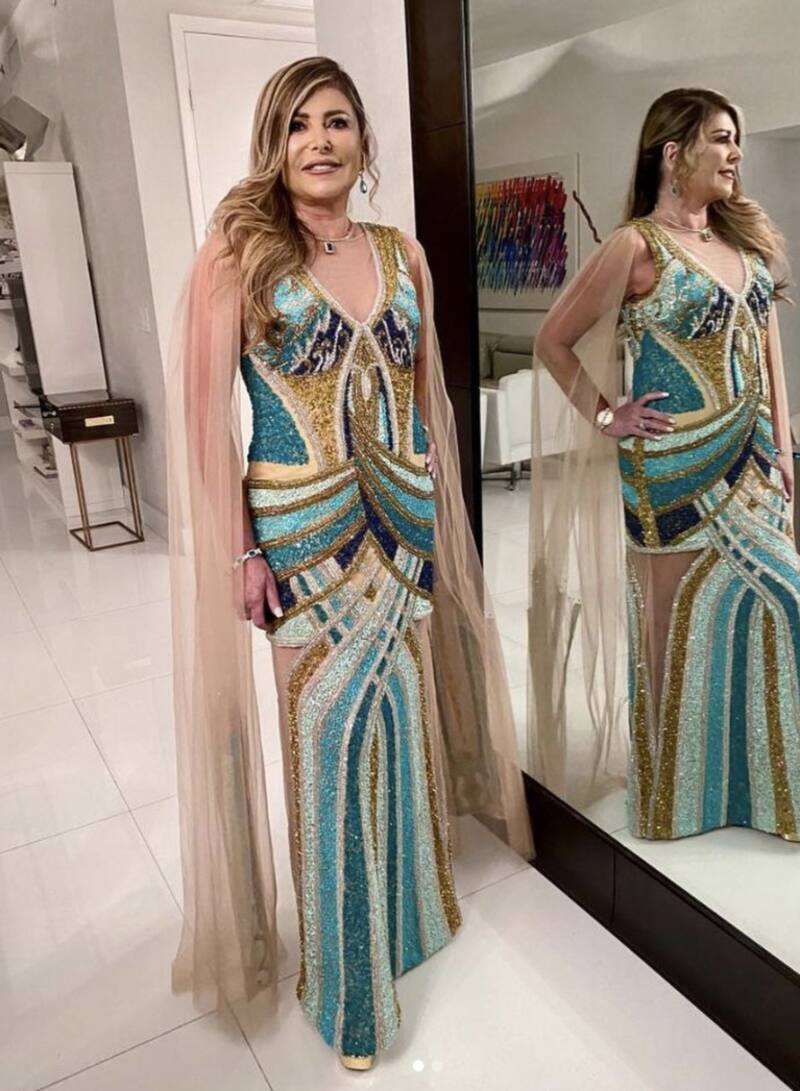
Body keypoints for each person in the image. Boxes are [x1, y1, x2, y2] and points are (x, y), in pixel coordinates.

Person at [167, 56, 531, 1070]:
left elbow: (424, 398)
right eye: (297, 124)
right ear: (272, 144)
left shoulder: (401, 252)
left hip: (400, 527)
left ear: (364, 140)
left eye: (335, 121)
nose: (318, 141)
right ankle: (346, 987)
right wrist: (238, 550)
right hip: (300, 532)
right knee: (324, 742)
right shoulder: (237, 254)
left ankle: (409, 917)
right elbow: (203, 424)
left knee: (401, 723)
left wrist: (426, 490)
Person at [530, 87, 800, 843]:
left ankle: (767, 786)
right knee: (668, 630)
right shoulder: (634, 246)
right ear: (674, 153)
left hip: (753, 464)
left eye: (737, 138)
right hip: (671, 467)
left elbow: (771, 358)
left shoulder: (746, 243)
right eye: (722, 138)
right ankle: (675, 799)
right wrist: (606, 416)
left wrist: (785, 451)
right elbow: (554, 341)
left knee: (783, 603)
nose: (736, 153)